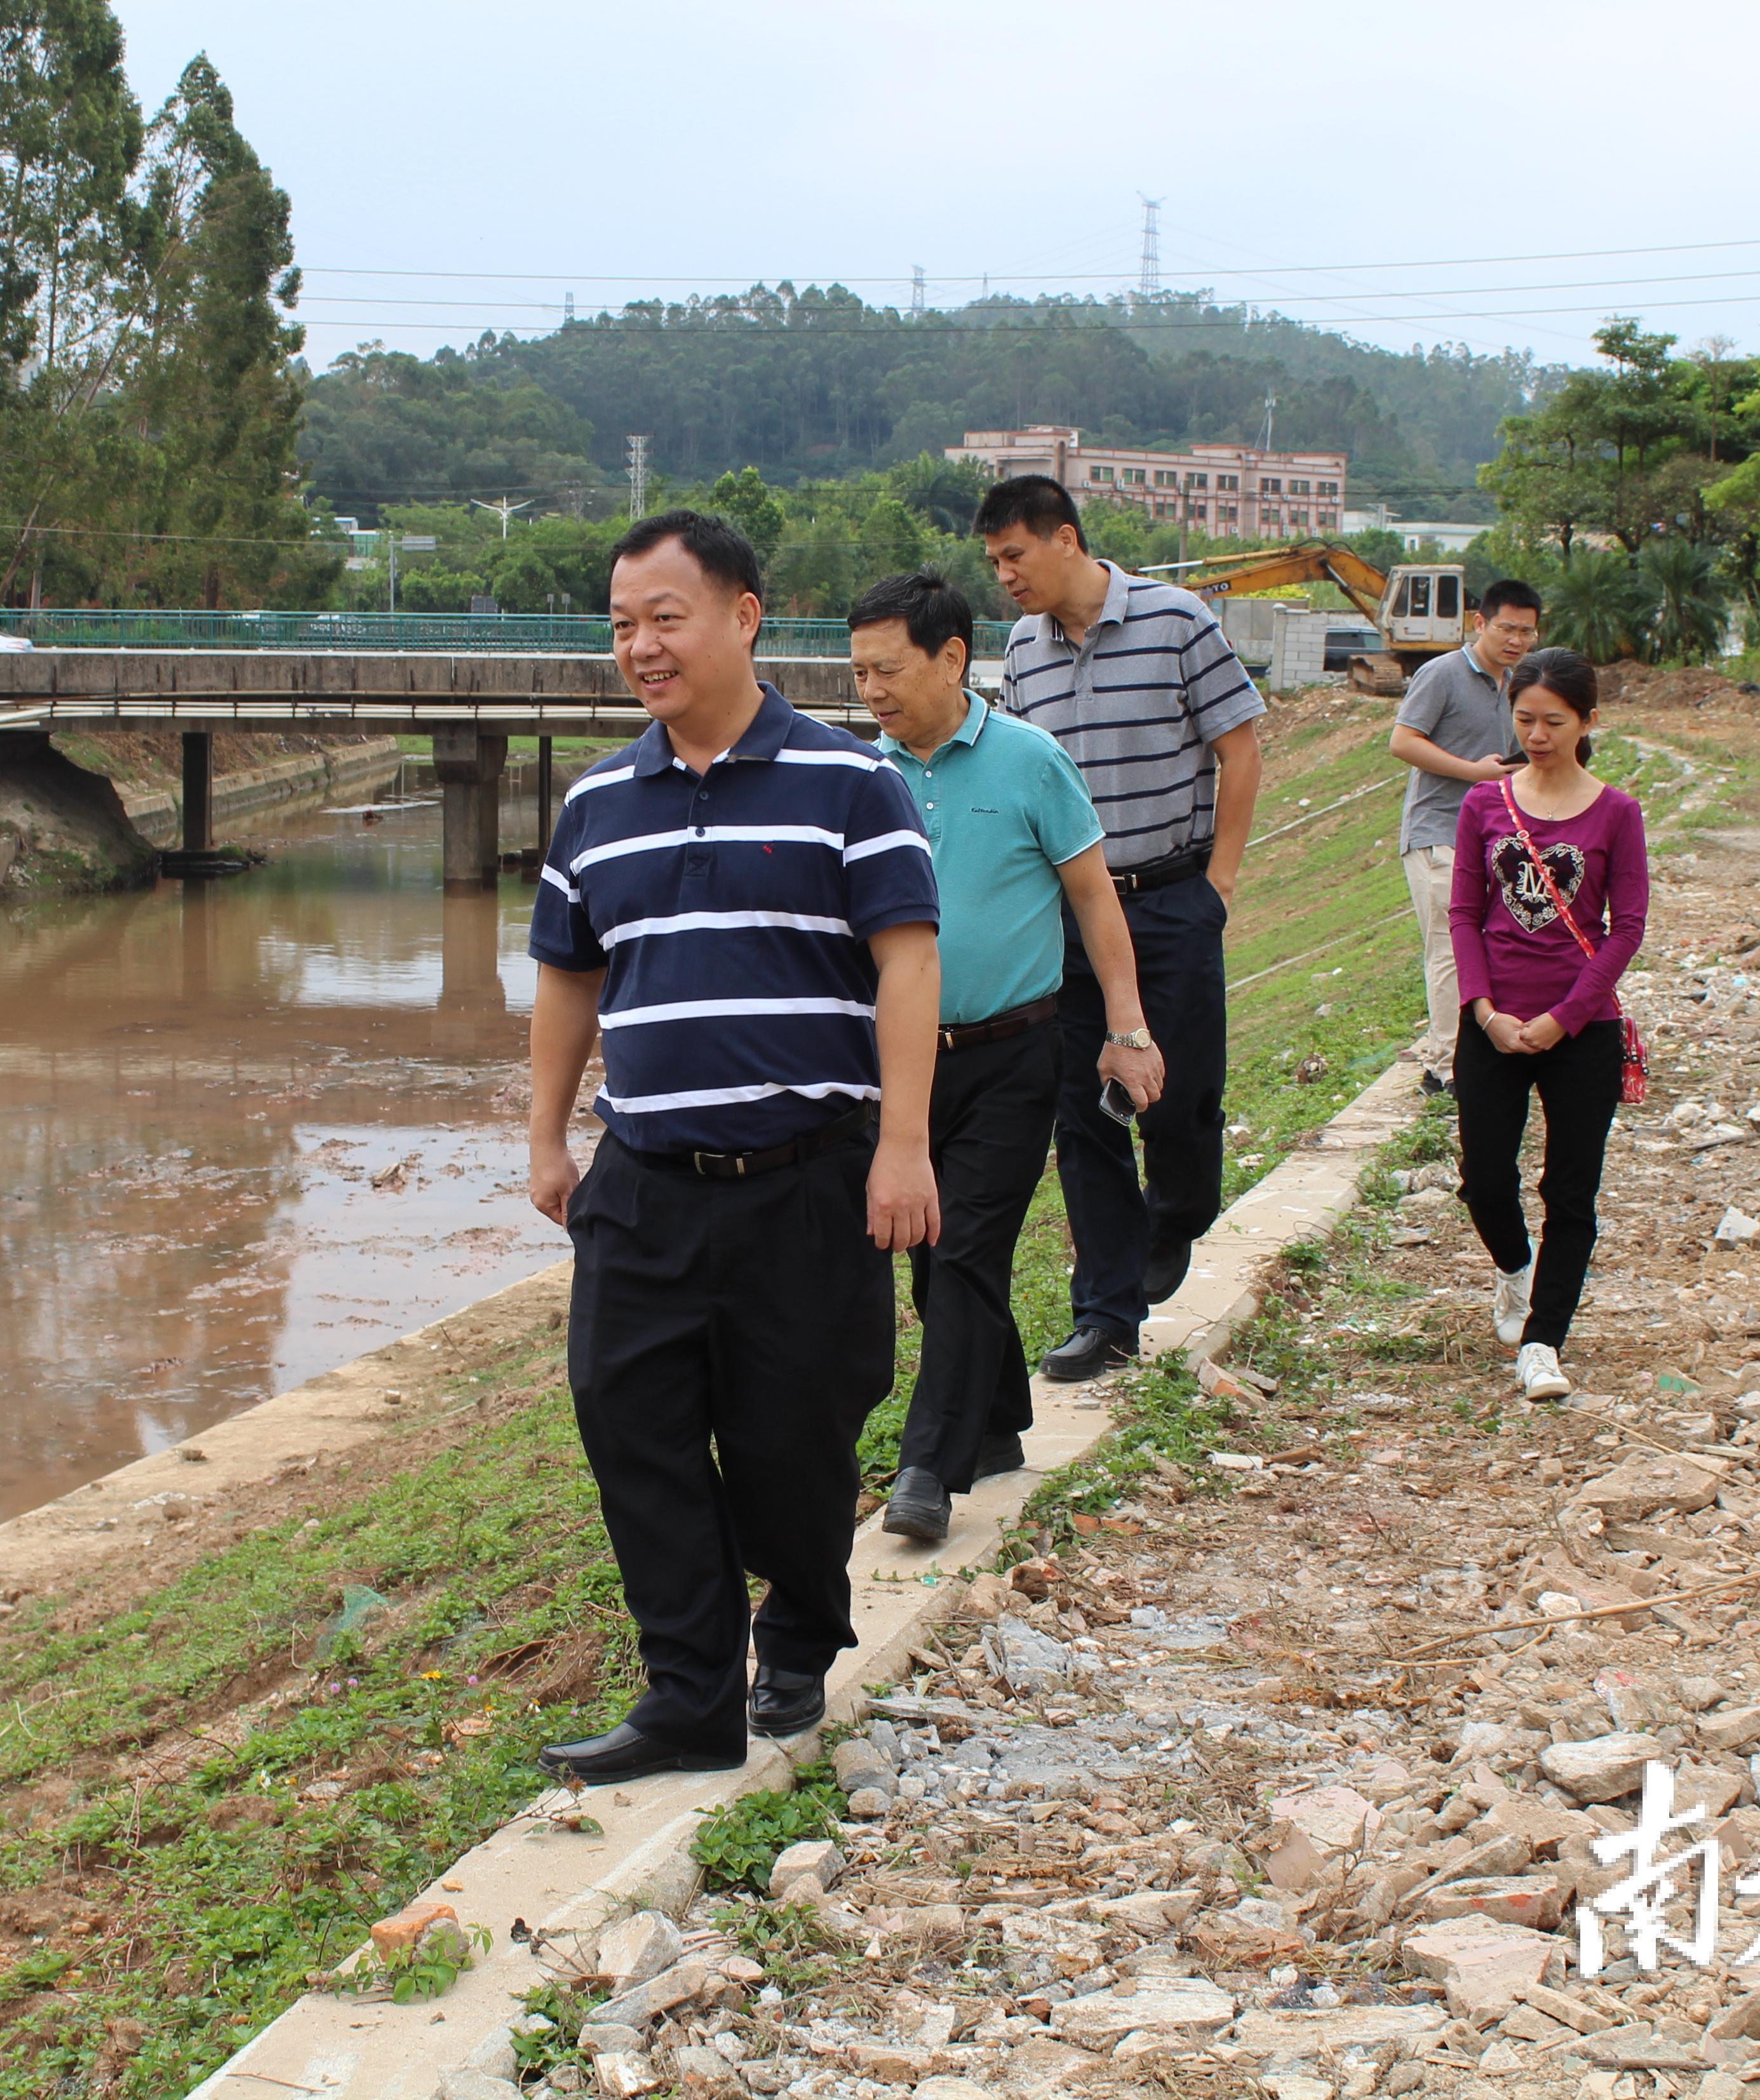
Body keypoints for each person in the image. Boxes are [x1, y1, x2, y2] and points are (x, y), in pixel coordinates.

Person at [525, 509, 941, 1785]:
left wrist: (903, 1146)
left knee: (792, 1439)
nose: (639, 647)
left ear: (744, 616)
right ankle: (688, 1695)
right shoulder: (597, 801)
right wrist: (546, 1135)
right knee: (630, 1424)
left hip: (808, 1180)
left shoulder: (851, 783)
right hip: (644, 1182)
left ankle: (802, 1633)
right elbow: (566, 976)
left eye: (664, 618)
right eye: (620, 627)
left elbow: (908, 963)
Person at [848, 570, 1164, 1544]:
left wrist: (1126, 1027)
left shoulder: (1029, 760)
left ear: (951, 657)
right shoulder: (863, 777)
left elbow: (1093, 900)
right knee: (932, 1263)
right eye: (857, 674)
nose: (871, 692)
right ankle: (992, 1426)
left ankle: (924, 1468)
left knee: (968, 1248)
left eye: (887, 669)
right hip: (897, 1068)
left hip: (1013, 1053)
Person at [976, 476, 1265, 1383]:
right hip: (1066, 911)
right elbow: (1022, 777)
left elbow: (1239, 747)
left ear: (1064, 539)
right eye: (992, 563)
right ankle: (1105, 1310)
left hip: (1167, 897)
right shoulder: (1021, 647)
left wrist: (1215, 882)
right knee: (1080, 1109)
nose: (1005, 578)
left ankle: (1176, 1210)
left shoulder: (1177, 620)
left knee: (1175, 1098)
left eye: (1014, 556)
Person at [1446, 647, 1647, 1403]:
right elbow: (1465, 913)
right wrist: (1485, 1011)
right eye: (1523, 718)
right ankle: (1512, 1271)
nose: (1535, 734)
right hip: (1492, 1023)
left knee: (1570, 1190)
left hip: (1579, 1030)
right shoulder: (1484, 805)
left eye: (1552, 722)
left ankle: (1542, 1342)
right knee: (1484, 1178)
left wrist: (1565, 1019)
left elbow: (1626, 928)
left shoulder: (1616, 813)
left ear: (1588, 721)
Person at [1390, 578, 1544, 1092]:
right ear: (1479, 623)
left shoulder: (1513, 684)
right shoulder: (1443, 674)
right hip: (1436, 832)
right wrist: (1472, 772)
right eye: (1506, 628)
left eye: (1526, 631)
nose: (1516, 640)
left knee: (1484, 948)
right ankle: (1445, 1066)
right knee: (1448, 949)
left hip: (1486, 838)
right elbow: (1402, 742)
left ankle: (1469, 1056)